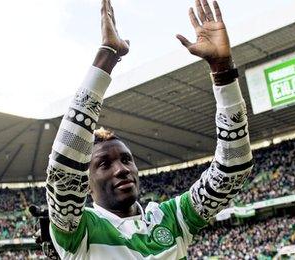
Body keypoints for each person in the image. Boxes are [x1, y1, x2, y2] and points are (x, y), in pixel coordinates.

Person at [39, 0, 253, 258]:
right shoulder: (78, 231)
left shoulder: (173, 218)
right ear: (85, 185)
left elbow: (233, 171)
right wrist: (107, 56)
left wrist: (222, 71)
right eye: (104, 164)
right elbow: (63, 170)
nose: (122, 169)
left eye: (126, 160)